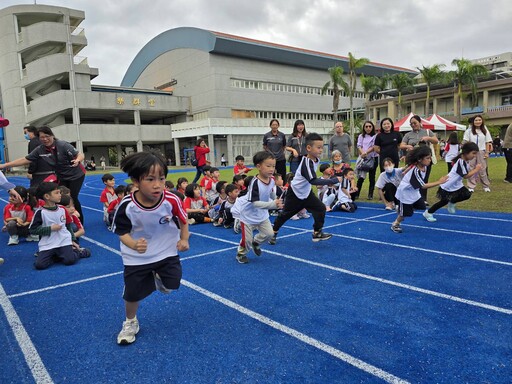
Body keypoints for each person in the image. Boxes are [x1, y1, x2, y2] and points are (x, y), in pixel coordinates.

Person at [112, 151, 189, 345]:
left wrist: (184, 239)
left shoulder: (171, 199)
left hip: (166, 250)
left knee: (173, 283)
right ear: (136, 181)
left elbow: (183, 220)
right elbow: (121, 232)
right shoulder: (127, 205)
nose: (157, 184)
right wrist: (134, 244)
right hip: (136, 256)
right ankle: (130, 322)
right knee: (132, 294)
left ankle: (158, 278)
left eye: (161, 178)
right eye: (150, 179)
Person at [0, 126, 87, 224]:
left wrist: (78, 160)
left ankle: (79, 222)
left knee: (72, 197)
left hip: (76, 174)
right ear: (39, 138)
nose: (45, 139)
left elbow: (81, 154)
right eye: (42, 137)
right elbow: (25, 159)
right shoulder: (40, 150)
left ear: (52, 135)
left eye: (47, 136)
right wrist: (4, 165)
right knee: (60, 198)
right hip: (61, 175)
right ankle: (64, 221)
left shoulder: (63, 145)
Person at [270, 133, 340, 244]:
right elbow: (313, 180)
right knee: (285, 214)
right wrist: (332, 181)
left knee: (321, 208)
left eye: (322, 147)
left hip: (306, 193)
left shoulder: (315, 159)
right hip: (295, 193)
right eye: (318, 147)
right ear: (308, 148)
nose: (321, 150)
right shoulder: (306, 163)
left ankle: (317, 233)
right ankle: (273, 232)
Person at [231, 151, 283, 263]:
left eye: (273, 166)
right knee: (247, 240)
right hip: (248, 216)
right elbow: (254, 203)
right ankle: (241, 253)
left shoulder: (272, 180)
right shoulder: (255, 183)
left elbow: (270, 192)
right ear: (258, 166)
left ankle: (257, 242)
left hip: (262, 215)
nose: (271, 169)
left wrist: (276, 198)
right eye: (268, 166)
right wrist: (272, 204)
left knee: (269, 234)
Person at [29, 182, 91, 270]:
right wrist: (50, 228)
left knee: (69, 261)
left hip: (63, 241)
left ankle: (80, 252)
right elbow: (33, 230)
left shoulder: (62, 209)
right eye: (57, 193)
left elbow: (68, 226)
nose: (60, 195)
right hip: (48, 243)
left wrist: (73, 240)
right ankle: (57, 256)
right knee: (39, 265)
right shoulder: (40, 212)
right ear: (47, 196)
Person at [391, 146, 448, 233]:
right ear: (420, 159)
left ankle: (404, 207)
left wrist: (405, 171)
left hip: (413, 191)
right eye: (427, 158)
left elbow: (409, 168)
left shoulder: (423, 167)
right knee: (405, 214)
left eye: (430, 157)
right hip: (405, 193)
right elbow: (423, 186)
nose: (430, 160)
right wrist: (439, 182)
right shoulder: (416, 171)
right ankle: (396, 223)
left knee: (422, 206)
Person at [423, 142, 481, 222]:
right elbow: (465, 176)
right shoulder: (461, 161)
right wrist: (476, 170)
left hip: (456, 184)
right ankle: (428, 213)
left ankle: (452, 201)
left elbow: (467, 172)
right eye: (473, 153)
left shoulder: (465, 160)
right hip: (448, 184)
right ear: (466, 152)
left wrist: (475, 175)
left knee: (466, 194)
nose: (474, 156)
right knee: (443, 202)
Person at [400, 115, 439, 205]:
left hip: (425, 160)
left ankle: (423, 199)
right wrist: (407, 146)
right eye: (411, 124)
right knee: (411, 179)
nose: (413, 125)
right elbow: (402, 145)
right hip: (412, 160)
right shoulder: (408, 135)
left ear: (420, 123)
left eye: (415, 123)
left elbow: (436, 141)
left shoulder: (427, 131)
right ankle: (410, 199)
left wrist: (428, 138)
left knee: (424, 179)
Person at [462, 115, 493, 192]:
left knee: (482, 169)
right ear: (473, 122)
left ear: (482, 121)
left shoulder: (485, 130)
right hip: (471, 152)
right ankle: (471, 186)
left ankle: (485, 186)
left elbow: (487, 142)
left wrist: (487, 152)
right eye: (476, 120)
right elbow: (465, 142)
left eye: (479, 120)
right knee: (471, 168)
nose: (478, 121)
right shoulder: (468, 131)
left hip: (481, 151)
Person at [355, 121, 378, 200]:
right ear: (364, 128)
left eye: (370, 126)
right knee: (361, 177)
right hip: (363, 158)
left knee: (372, 177)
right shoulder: (361, 136)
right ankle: (357, 194)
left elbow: (374, 146)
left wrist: (366, 152)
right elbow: (359, 145)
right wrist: (362, 153)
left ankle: (370, 195)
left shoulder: (375, 136)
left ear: (372, 127)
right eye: (366, 126)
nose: (368, 128)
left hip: (373, 158)